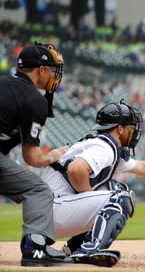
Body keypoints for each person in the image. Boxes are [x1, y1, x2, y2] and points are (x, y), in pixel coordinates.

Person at [37, 100, 145, 267]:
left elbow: (143, 168)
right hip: (52, 210)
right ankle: (89, 250)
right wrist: (89, 196)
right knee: (120, 197)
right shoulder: (105, 147)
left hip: (44, 214)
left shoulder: (101, 145)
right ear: (120, 129)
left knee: (113, 189)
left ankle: (72, 249)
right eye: (131, 127)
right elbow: (76, 169)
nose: (134, 131)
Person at [0, 43, 72, 266]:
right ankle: (35, 247)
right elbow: (33, 158)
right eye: (52, 69)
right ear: (41, 70)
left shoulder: (3, 82)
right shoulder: (34, 100)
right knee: (38, 189)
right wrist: (57, 154)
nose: (54, 76)